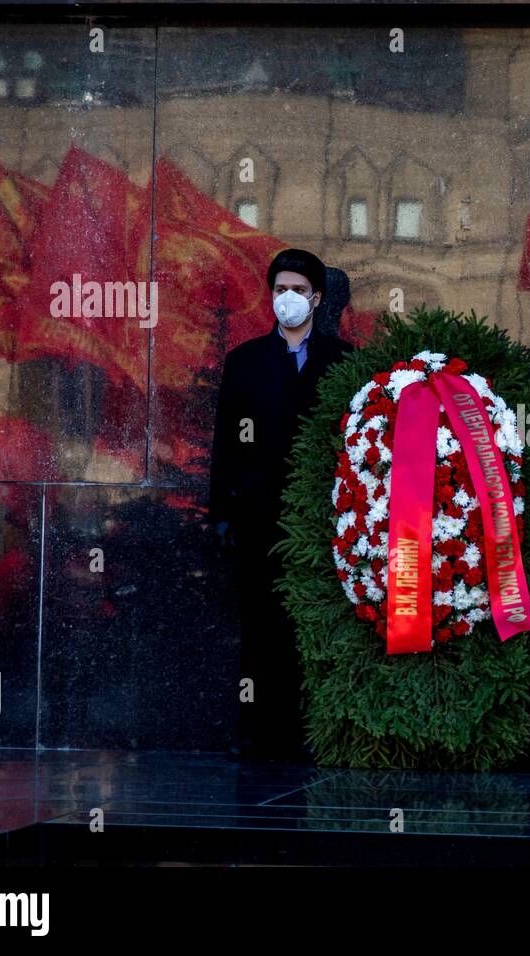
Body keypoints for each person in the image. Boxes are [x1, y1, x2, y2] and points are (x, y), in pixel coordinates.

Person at [209, 248, 354, 761]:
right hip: (257, 517)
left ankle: (311, 731)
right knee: (258, 625)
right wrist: (221, 513)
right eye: (279, 289)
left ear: (316, 298)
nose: (286, 299)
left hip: (320, 521)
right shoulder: (245, 361)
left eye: (297, 290)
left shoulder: (343, 361)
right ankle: (254, 730)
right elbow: (226, 443)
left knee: (313, 625)